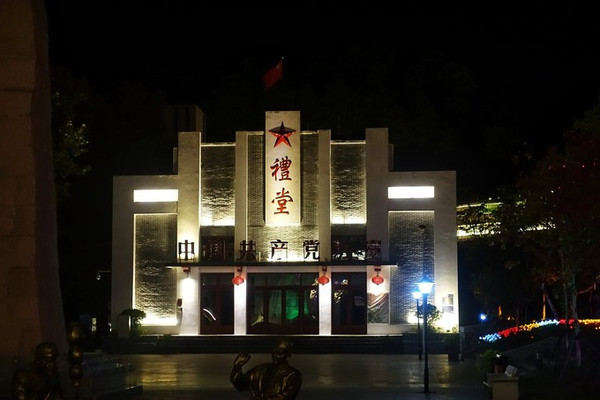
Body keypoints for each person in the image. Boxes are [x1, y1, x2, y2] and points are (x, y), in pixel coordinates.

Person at [230, 338, 302, 400]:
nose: (275, 356)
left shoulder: (293, 375)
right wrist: (237, 368)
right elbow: (241, 385)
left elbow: (286, 397)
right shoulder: (261, 369)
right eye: (274, 352)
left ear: (288, 355)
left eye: (280, 353)